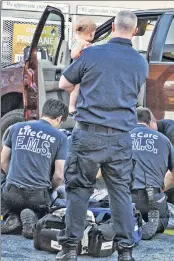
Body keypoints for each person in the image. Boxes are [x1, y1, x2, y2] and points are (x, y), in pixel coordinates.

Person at [56, 10, 149, 261]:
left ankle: (69, 250)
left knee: (78, 190)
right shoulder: (140, 62)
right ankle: (125, 252)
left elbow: (64, 84)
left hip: (87, 134)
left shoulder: (93, 53)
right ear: (135, 31)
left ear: (113, 28)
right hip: (120, 138)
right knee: (120, 193)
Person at [1, 99, 68, 238]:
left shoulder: (16, 127)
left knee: (3, 183)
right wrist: (51, 190)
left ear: (43, 113)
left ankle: (10, 216)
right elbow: (59, 175)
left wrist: (11, 179)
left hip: (12, 194)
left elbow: (3, 161)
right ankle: (34, 216)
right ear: (59, 118)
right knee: (58, 195)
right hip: (38, 197)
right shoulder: (61, 137)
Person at [130, 108, 174, 240]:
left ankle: (133, 221)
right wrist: (162, 189)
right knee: (165, 216)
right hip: (153, 195)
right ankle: (157, 222)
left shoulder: (123, 137)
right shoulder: (164, 139)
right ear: (150, 121)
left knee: (118, 211)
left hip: (127, 195)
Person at [69, 17, 96, 115]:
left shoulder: (85, 43)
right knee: (76, 88)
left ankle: (78, 106)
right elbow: (73, 55)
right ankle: (71, 107)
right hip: (78, 70)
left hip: (83, 70)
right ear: (92, 33)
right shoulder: (80, 42)